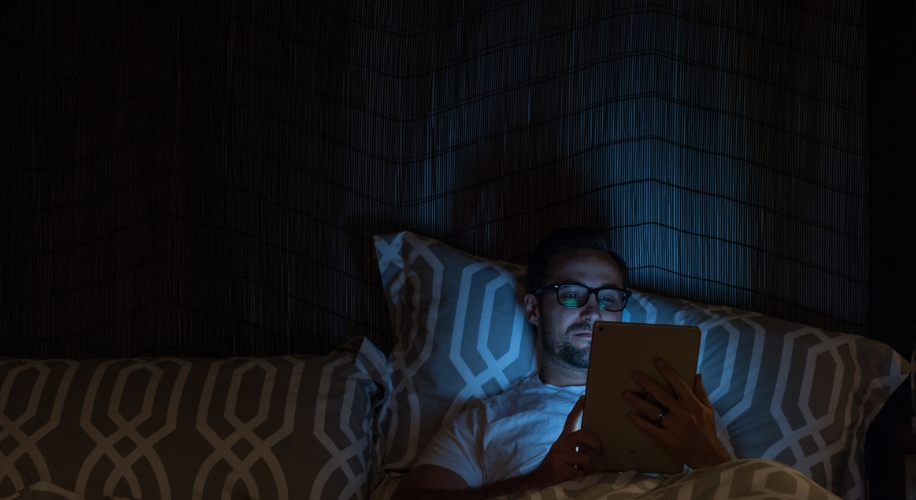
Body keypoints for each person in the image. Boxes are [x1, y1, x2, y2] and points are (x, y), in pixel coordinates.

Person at [390, 227, 732, 500]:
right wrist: (537, 481)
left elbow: (751, 487)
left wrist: (709, 458)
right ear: (533, 309)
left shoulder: (684, 410)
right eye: (571, 293)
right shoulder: (484, 421)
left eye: (608, 298)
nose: (592, 310)